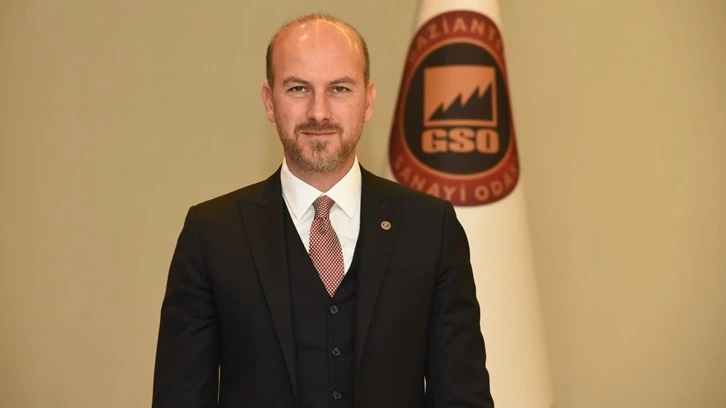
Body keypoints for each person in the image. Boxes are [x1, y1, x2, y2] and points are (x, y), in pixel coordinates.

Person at [152, 13, 494, 408]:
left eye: (339, 89)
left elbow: (461, 397)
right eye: (298, 88)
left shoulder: (430, 228)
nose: (319, 112)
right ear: (269, 101)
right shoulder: (212, 235)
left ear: (368, 101)